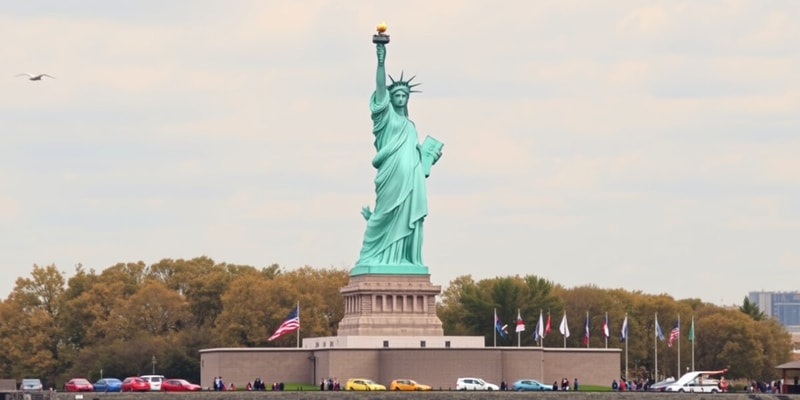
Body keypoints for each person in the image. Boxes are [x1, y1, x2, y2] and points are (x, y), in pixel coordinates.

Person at [353, 39, 442, 274]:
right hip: (391, 175)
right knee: (385, 213)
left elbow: (417, 155)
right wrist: (381, 61)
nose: (401, 99)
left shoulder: (410, 125)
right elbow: (381, 88)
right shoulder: (386, 118)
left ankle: (405, 259)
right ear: (390, 99)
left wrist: (428, 157)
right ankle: (374, 256)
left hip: (412, 177)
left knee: (408, 217)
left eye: (404, 96)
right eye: (397, 95)